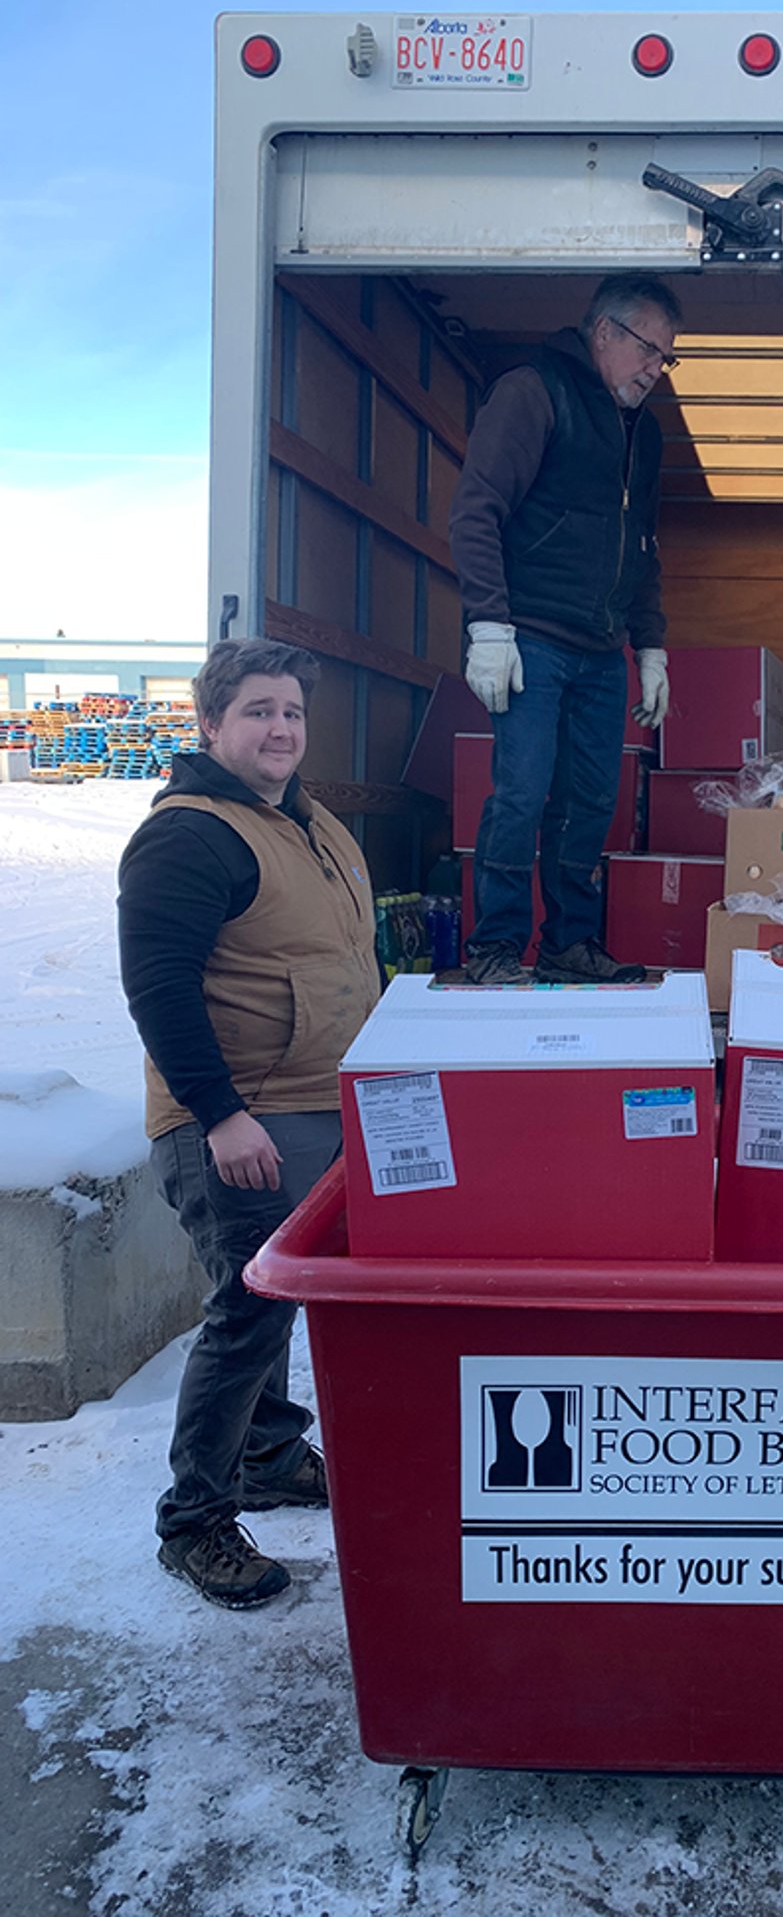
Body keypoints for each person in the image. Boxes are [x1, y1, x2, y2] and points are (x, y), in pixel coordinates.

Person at [117, 640, 380, 1609]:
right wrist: (220, 1114)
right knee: (247, 1311)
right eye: (259, 711)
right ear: (210, 725)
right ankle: (194, 1522)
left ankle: (267, 1455)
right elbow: (158, 986)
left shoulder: (306, 821)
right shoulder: (191, 835)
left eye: (292, 712)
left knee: (275, 1300)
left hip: (313, 1100)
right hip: (236, 1117)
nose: (281, 730)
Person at [449, 272, 682, 985]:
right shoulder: (534, 392)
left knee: (590, 804)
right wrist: (489, 626)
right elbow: (477, 511)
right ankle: (494, 948)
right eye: (648, 349)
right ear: (604, 331)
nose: (656, 369)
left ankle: (568, 943)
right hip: (532, 639)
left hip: (601, 651)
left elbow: (643, 546)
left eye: (667, 357)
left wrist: (650, 646)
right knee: (521, 794)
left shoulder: (645, 434)